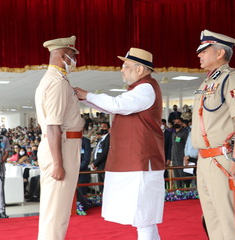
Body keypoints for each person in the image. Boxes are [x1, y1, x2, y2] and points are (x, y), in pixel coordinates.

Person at [75, 47, 165, 240]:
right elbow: (115, 107)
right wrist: (85, 98)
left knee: (143, 218)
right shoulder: (141, 88)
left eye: (125, 66)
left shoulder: (146, 88)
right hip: (134, 161)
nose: (122, 70)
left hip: (141, 162)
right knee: (144, 219)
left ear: (140, 69)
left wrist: (88, 95)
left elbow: (117, 105)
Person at [192, 29, 235, 239]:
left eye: (203, 50)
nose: (198, 55)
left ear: (219, 53)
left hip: (224, 158)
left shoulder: (232, 79)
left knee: (230, 217)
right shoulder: (206, 83)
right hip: (206, 158)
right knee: (212, 217)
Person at [35, 35, 83, 240]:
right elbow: (53, 126)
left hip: (62, 144)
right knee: (56, 214)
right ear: (63, 55)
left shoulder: (55, 79)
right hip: (61, 146)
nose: (75, 60)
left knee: (54, 211)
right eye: (72, 56)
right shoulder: (57, 83)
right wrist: (58, 163)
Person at [91, 122, 110, 193]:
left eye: (104, 127)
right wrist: (94, 162)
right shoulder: (101, 139)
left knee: (105, 187)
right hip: (98, 166)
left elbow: (104, 153)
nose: (102, 128)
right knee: (101, 188)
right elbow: (96, 152)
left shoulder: (109, 138)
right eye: (101, 127)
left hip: (104, 166)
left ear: (109, 129)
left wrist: (95, 163)